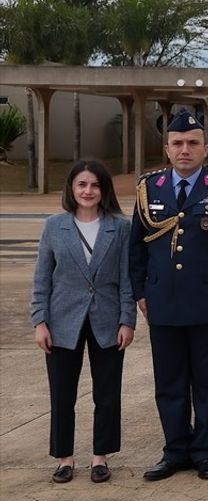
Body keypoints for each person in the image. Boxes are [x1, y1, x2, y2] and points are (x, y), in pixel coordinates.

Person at [131, 109, 208, 481]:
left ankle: (205, 451)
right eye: (177, 143)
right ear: (167, 149)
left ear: (206, 148)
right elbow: (135, 247)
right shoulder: (148, 188)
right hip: (162, 302)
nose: (185, 149)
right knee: (168, 382)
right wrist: (140, 291)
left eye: (192, 143)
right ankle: (175, 451)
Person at [31, 160, 136, 484]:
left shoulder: (120, 227)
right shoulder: (54, 226)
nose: (88, 191)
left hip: (107, 319)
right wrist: (39, 321)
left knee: (106, 394)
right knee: (62, 394)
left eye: (94, 185)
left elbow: (127, 278)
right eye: (82, 185)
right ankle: (65, 458)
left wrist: (126, 320)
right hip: (62, 321)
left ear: (103, 190)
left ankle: (100, 457)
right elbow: (42, 279)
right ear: (72, 189)